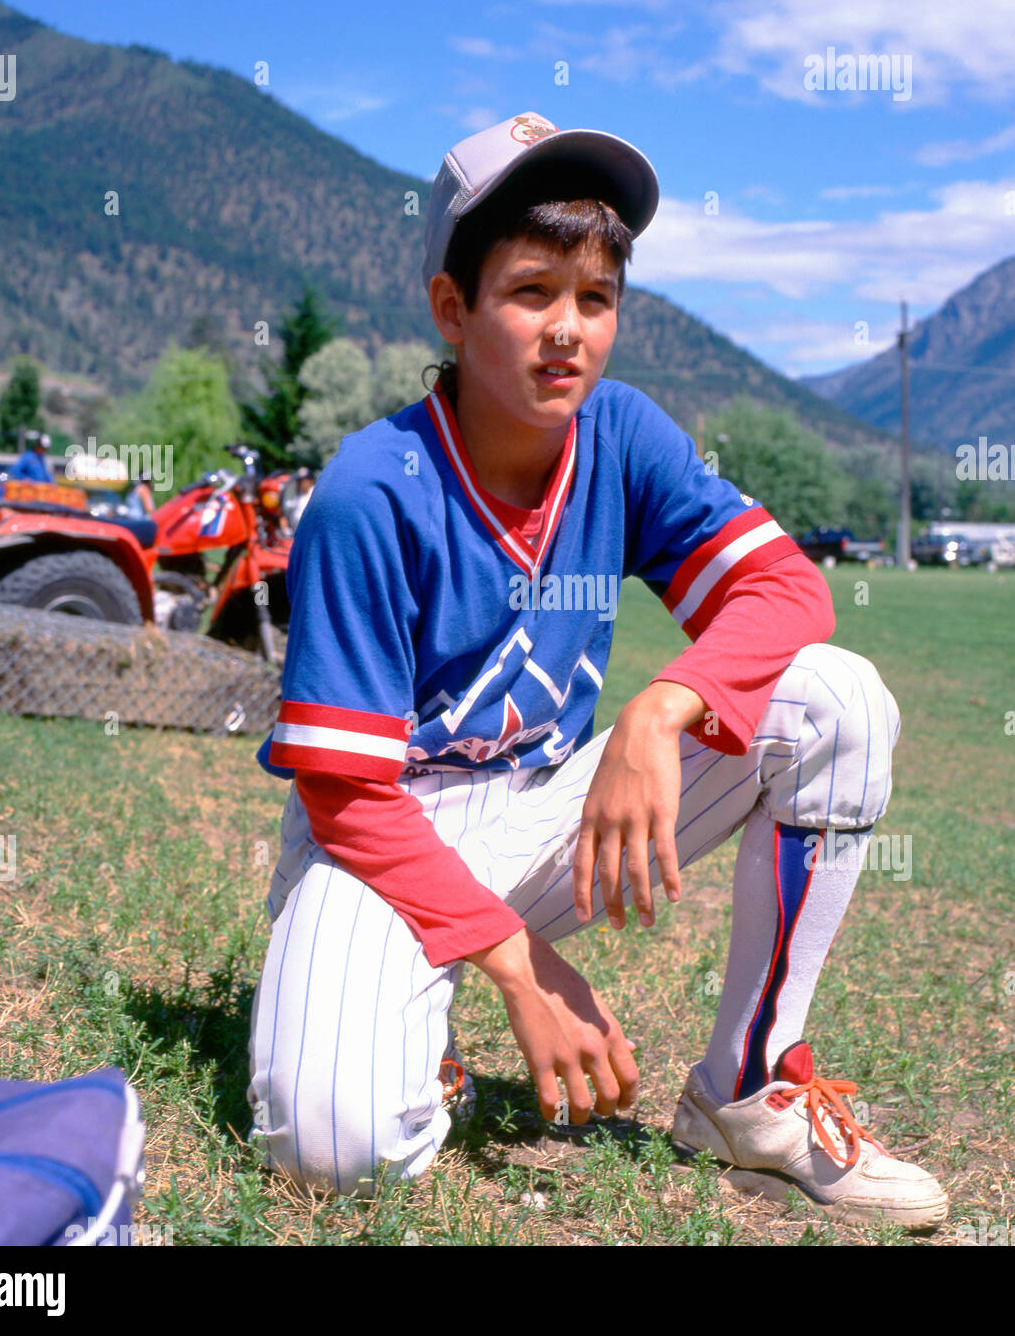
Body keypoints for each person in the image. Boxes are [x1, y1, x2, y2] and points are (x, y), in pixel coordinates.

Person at [246, 112, 948, 1229]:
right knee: (333, 1148)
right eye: (530, 291)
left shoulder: (620, 434)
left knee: (837, 699)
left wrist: (660, 712)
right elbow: (342, 791)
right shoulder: (371, 489)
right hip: (381, 834)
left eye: (596, 297)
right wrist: (525, 970)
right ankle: (414, 1042)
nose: (566, 329)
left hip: (536, 806)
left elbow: (785, 590)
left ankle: (749, 1087)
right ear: (451, 307)